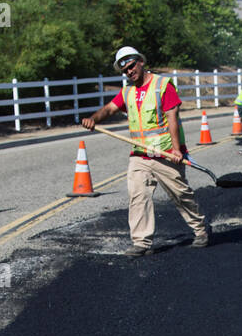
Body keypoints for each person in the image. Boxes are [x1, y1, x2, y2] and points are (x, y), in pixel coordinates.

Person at [81, 46, 210, 256]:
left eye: (131, 66)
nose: (129, 72)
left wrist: (177, 150)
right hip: (140, 154)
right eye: (125, 71)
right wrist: (93, 119)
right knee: (137, 195)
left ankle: (201, 230)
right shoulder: (128, 92)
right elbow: (109, 109)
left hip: (166, 154)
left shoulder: (162, 86)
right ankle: (141, 242)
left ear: (141, 62)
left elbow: (172, 118)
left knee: (181, 195)